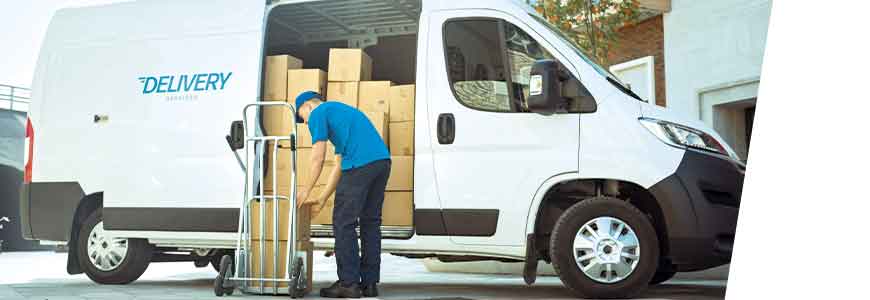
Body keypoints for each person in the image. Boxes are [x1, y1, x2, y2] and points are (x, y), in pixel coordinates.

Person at [294, 91, 391, 298]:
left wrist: (305, 189)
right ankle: (369, 283)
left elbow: (317, 158)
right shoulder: (340, 113)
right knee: (370, 222)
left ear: (308, 106)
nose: (304, 122)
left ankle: (348, 283)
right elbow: (338, 166)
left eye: (302, 116)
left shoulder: (318, 113)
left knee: (343, 222)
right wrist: (322, 198)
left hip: (360, 165)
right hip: (382, 162)